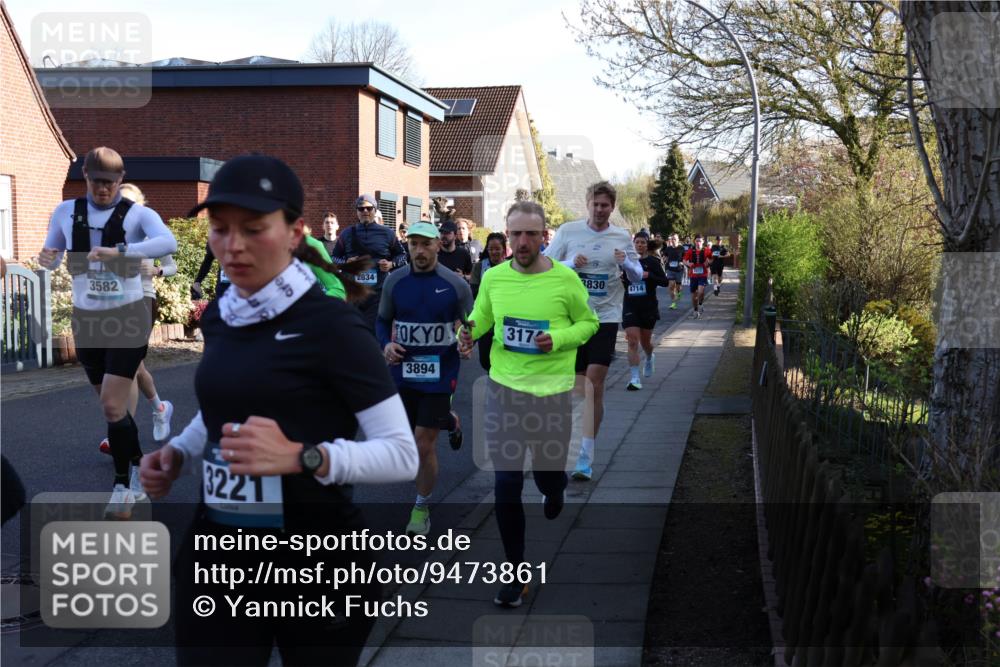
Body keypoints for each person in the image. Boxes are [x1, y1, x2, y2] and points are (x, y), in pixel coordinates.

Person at [140, 154, 417, 666]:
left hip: (317, 561)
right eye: (220, 230)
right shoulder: (224, 313)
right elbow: (226, 407)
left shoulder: (333, 326)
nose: (233, 245)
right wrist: (178, 451)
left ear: (295, 233)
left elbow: (402, 455)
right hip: (220, 553)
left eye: (253, 228)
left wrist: (303, 457)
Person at [458, 201, 598, 608]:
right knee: (506, 484)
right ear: (506, 234)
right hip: (504, 393)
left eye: (530, 234)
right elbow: (482, 316)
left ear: (543, 237)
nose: (521, 242)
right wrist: (467, 332)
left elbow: (588, 323)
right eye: (515, 234)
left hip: (552, 397)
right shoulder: (495, 277)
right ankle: (515, 574)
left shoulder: (566, 280)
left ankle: (555, 491)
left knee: (547, 478)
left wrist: (560, 339)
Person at [39, 147, 177, 518]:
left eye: (111, 182)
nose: (103, 189)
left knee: (114, 405)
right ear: (84, 175)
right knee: (110, 406)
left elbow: (169, 245)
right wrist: (48, 258)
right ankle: (138, 464)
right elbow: (52, 249)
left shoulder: (139, 214)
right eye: (97, 181)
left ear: (121, 179)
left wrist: (123, 253)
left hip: (128, 315)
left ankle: (123, 485)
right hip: (87, 318)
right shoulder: (66, 211)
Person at [377, 222, 474, 536]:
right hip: (402, 373)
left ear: (437, 245)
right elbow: (382, 321)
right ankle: (450, 420)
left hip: (439, 373)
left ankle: (421, 507)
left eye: (426, 244)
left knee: (422, 444)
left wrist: (465, 339)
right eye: (414, 244)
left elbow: (470, 322)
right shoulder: (395, 281)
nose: (419, 250)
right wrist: (386, 345)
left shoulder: (454, 285)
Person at [543, 181, 643, 481]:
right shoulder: (569, 232)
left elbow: (639, 275)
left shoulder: (622, 236)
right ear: (587, 204)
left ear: (612, 207)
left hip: (605, 318)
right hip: (572, 319)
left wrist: (626, 263)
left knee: (594, 383)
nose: (600, 210)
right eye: (595, 204)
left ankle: (585, 456)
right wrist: (571, 263)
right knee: (577, 389)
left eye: (605, 205)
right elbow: (545, 265)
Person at [97, 183, 175, 456]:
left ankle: (121, 434)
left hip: (142, 300)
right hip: (113, 303)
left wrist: (155, 270)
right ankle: (160, 408)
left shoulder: (151, 233)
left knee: (126, 369)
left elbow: (171, 266)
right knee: (133, 367)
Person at [330, 194, 408, 332]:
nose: (365, 211)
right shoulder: (347, 233)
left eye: (369, 208)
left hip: (378, 293)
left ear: (375, 210)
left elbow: (403, 256)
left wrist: (391, 264)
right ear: (357, 212)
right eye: (361, 209)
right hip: (354, 293)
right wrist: (346, 262)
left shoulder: (387, 233)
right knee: (354, 332)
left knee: (375, 331)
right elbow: (334, 258)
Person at [622, 232, 670, 390]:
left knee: (645, 342)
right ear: (633, 244)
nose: (640, 245)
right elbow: (621, 281)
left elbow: (664, 282)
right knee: (632, 341)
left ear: (647, 245)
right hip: (630, 306)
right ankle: (635, 378)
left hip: (648, 306)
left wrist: (649, 275)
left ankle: (649, 356)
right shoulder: (626, 262)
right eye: (637, 242)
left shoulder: (653, 262)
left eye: (643, 242)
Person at [470, 232, 508, 372]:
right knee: (485, 360)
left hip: (504, 319)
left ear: (503, 250)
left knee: (503, 356)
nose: (494, 252)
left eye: (497, 248)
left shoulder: (511, 267)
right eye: (491, 249)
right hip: (485, 317)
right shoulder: (479, 267)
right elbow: (474, 292)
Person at [683, 234, 712, 318]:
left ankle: (700, 303)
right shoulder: (690, 251)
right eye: (697, 241)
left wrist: (709, 262)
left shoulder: (707, 250)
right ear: (694, 242)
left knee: (700, 291)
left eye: (700, 241)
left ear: (703, 242)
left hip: (703, 274)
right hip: (693, 275)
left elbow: (712, 259)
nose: (698, 243)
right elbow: (684, 260)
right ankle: (695, 310)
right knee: (694, 295)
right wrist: (688, 263)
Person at [662, 233, 685, 309]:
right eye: (672, 239)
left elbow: (685, 258)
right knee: (671, 286)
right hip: (670, 269)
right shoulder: (668, 248)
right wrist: (664, 259)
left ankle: (679, 292)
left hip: (679, 270)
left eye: (675, 239)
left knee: (678, 287)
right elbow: (665, 256)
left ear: (678, 240)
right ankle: (673, 303)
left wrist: (682, 262)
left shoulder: (681, 248)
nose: (673, 240)